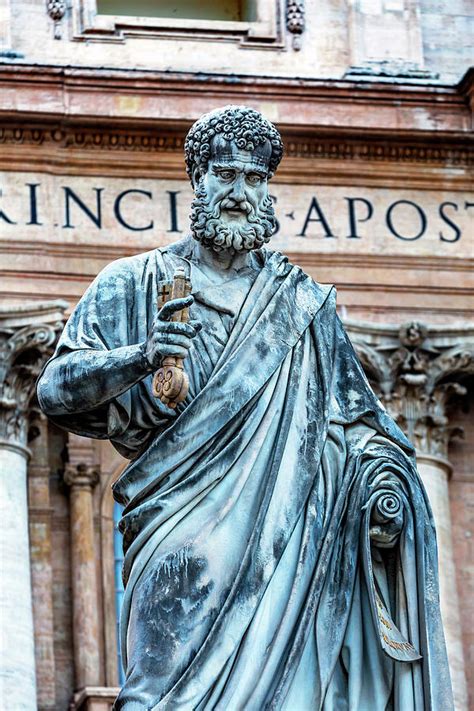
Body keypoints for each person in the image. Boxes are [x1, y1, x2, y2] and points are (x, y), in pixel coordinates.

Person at [37, 106, 453, 710]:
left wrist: (380, 492)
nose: (239, 192)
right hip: (178, 538)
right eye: (225, 174)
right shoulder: (133, 282)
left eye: (254, 179)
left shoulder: (302, 306)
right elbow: (55, 391)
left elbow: (361, 426)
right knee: (161, 696)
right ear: (196, 179)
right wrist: (139, 358)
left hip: (291, 549)